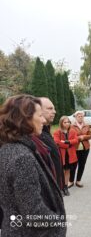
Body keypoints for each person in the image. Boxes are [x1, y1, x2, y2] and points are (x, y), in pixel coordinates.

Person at [0, 95, 66, 236]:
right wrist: (58, 223)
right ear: (25, 119)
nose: (43, 120)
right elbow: (34, 212)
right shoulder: (21, 157)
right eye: (40, 115)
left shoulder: (8, 148)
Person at [39, 97, 66, 195]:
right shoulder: (36, 136)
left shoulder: (45, 131)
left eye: (54, 108)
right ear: (38, 110)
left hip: (55, 188)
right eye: (50, 109)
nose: (54, 112)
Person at [53, 116, 78, 196]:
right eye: (65, 122)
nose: (67, 124)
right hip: (61, 155)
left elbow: (76, 140)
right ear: (61, 123)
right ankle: (60, 188)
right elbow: (57, 142)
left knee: (67, 171)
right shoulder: (57, 132)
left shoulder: (72, 131)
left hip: (70, 156)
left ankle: (65, 187)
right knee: (61, 172)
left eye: (68, 122)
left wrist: (66, 142)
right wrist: (68, 145)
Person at [69, 111, 91, 188]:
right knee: (73, 165)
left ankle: (78, 180)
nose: (80, 117)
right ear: (75, 117)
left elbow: (90, 136)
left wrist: (84, 137)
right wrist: (79, 138)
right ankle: (71, 181)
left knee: (82, 165)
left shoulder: (86, 125)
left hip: (85, 148)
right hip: (74, 149)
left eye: (82, 116)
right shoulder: (71, 126)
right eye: (79, 116)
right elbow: (70, 137)